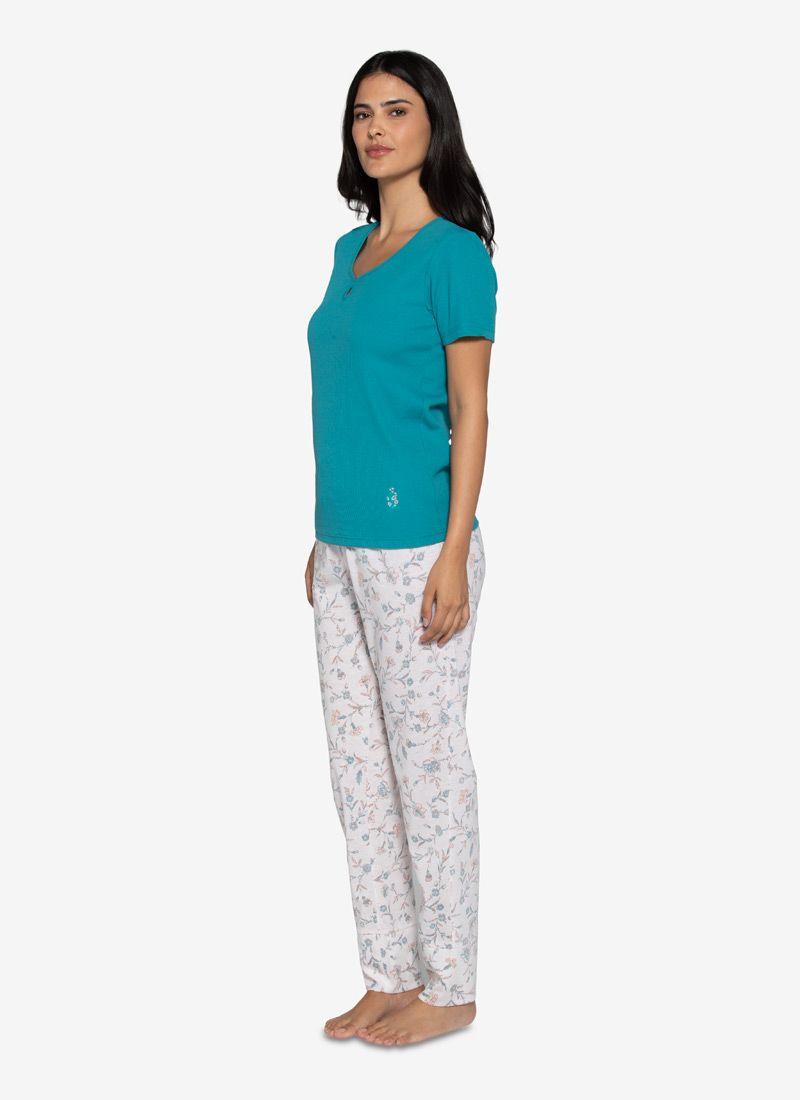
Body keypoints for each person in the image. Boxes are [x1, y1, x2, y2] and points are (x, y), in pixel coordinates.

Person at [305, 50, 498, 1046]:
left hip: (417, 545)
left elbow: (470, 410)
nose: (376, 128)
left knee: (427, 769)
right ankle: (388, 970)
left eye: (396, 110)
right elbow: (350, 401)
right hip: (340, 549)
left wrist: (455, 550)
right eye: (362, 114)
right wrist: (320, 534)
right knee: (358, 772)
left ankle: (450, 982)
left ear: (433, 126)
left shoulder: (454, 256)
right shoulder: (349, 252)